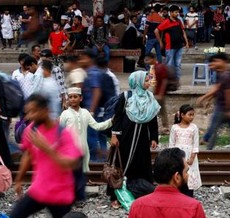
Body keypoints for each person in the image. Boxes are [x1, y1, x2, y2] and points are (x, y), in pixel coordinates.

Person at [11, 94, 81, 218]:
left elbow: (72, 164)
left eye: (34, 111)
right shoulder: (31, 130)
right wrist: (19, 180)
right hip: (39, 190)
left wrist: (48, 149)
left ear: (46, 111)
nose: (29, 116)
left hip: (60, 194)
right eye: (28, 112)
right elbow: (28, 154)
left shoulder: (63, 133)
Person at [110, 71, 160, 202]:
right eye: (146, 81)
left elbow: (153, 120)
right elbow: (117, 117)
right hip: (126, 137)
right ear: (137, 81)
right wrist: (114, 135)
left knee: (141, 163)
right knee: (122, 164)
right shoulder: (126, 96)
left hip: (142, 138)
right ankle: (116, 195)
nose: (149, 83)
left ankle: (141, 193)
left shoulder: (150, 97)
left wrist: (154, 137)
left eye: (149, 81)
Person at [198, 52, 230, 150]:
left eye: (216, 61)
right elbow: (218, 89)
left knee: (214, 130)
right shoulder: (220, 74)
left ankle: (208, 149)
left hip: (222, 108)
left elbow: (228, 93)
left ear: (224, 62)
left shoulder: (226, 76)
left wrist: (203, 98)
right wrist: (209, 99)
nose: (213, 64)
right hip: (223, 107)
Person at [59, 87, 112, 173]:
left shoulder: (85, 113)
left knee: (83, 175)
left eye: (75, 97)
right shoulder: (65, 114)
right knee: (71, 175)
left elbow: (97, 126)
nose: (72, 99)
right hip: (69, 151)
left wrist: (111, 121)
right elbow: (60, 133)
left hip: (83, 150)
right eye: (70, 97)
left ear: (81, 98)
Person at [169, 104, 200, 197]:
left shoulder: (194, 127)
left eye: (193, 115)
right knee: (179, 173)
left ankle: (189, 195)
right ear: (182, 115)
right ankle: (178, 194)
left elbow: (195, 144)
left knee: (189, 175)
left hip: (190, 156)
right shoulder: (174, 128)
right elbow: (171, 144)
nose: (192, 117)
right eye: (189, 115)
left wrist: (192, 158)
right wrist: (172, 158)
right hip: (178, 155)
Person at [156, 5, 187, 82]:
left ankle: (176, 81)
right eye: (176, 12)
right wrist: (160, 42)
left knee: (178, 64)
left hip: (179, 46)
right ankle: (169, 81)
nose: (177, 14)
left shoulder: (179, 21)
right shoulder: (166, 22)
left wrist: (186, 42)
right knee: (169, 64)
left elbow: (183, 32)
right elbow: (156, 31)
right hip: (170, 47)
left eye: (178, 12)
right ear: (171, 13)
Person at [144, 52, 170, 133]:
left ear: (153, 59)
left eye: (148, 60)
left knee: (158, 110)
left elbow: (164, 80)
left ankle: (164, 127)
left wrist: (161, 93)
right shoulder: (153, 67)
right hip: (155, 91)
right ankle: (165, 126)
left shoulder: (159, 67)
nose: (146, 61)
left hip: (158, 92)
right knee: (161, 110)